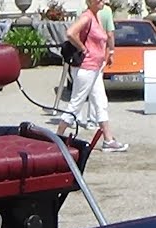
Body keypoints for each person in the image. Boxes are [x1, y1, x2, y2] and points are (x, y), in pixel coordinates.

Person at [55, 0, 128, 152]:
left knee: (100, 102)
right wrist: (83, 48)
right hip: (86, 67)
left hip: (95, 68)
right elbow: (70, 33)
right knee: (76, 103)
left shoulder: (96, 17)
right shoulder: (87, 17)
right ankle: (57, 138)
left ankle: (108, 140)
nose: (103, 1)